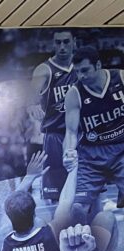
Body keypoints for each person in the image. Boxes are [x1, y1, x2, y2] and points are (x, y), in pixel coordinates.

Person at [63, 46, 124, 225]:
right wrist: (68, 151)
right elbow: (71, 132)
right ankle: (82, 240)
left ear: (98, 65)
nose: (81, 76)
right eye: (77, 72)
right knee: (77, 208)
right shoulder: (74, 93)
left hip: (121, 150)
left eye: (85, 70)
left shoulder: (121, 78)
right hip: (91, 156)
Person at [31, 30, 77, 202]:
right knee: (56, 195)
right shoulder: (44, 69)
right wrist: (33, 105)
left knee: (86, 191)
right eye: (58, 42)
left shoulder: (82, 66)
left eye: (66, 41)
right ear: (53, 44)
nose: (62, 46)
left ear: (74, 42)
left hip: (80, 134)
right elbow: (30, 95)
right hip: (55, 135)